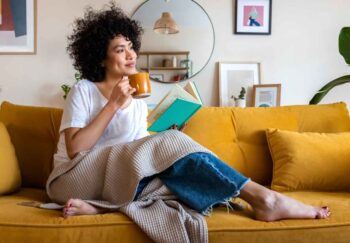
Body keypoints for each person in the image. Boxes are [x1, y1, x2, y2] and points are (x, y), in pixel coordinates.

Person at [47, 3, 330, 222]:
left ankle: (101, 208)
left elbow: (136, 151)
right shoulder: (84, 90)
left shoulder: (135, 100)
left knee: (178, 174)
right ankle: (266, 199)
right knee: (173, 166)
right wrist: (112, 105)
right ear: (100, 57)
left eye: (131, 46)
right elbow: (75, 150)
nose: (131, 55)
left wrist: (166, 138)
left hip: (115, 179)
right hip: (71, 178)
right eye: (120, 50)